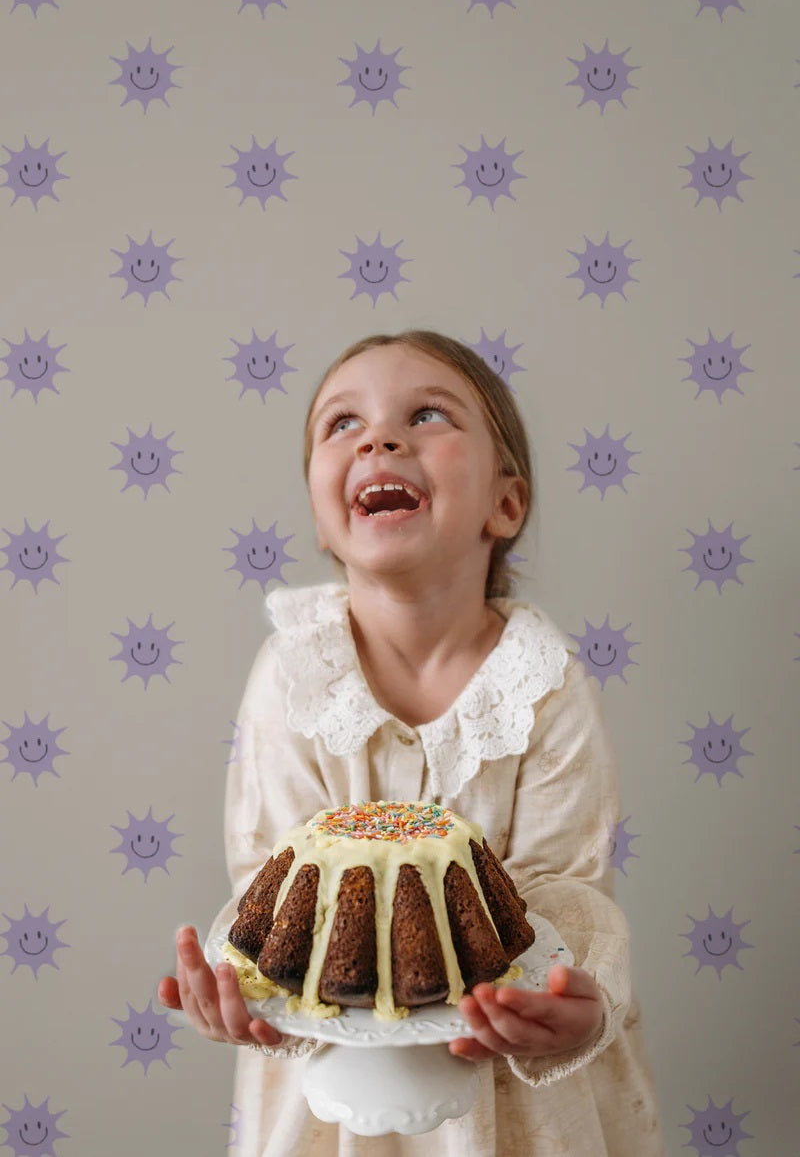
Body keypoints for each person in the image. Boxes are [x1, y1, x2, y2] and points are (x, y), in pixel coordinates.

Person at [158, 329, 664, 1155]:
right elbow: (279, 886)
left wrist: (577, 1005)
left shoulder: (542, 682)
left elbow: (567, 897)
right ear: (324, 520)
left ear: (506, 503)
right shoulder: (297, 671)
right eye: (341, 423)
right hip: (333, 1104)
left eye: (426, 415)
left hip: (519, 1103)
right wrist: (253, 991)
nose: (379, 438)